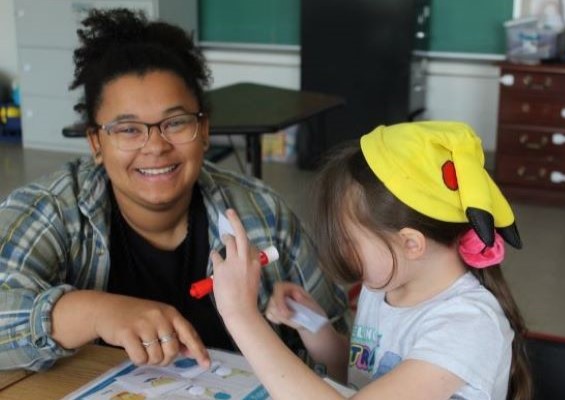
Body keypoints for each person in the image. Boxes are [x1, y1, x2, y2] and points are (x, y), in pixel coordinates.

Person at [0, 8, 348, 371]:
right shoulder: (56, 209)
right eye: (129, 129)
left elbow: (343, 350)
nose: (155, 146)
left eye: (176, 123)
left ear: (205, 129)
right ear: (96, 144)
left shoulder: (263, 215)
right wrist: (96, 312)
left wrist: (313, 327)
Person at [212, 121, 533, 400]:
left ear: (410, 243)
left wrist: (241, 315)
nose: (340, 251)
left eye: (350, 241)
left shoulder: (468, 325)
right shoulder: (387, 287)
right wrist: (314, 325)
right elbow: (362, 375)